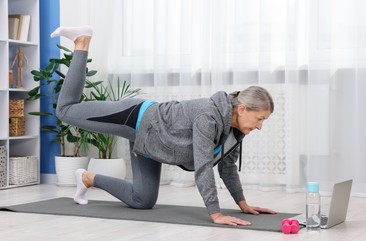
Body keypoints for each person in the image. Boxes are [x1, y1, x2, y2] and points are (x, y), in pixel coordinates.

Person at [52, 26, 277, 226]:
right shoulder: (209, 116)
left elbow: (226, 168)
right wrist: (215, 214)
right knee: (66, 110)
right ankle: (82, 42)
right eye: (260, 119)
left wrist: (242, 203)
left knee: (143, 200)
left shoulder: (235, 132)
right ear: (242, 109)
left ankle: (87, 178)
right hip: (136, 118)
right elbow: (203, 167)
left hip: (153, 142)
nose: (260, 127)